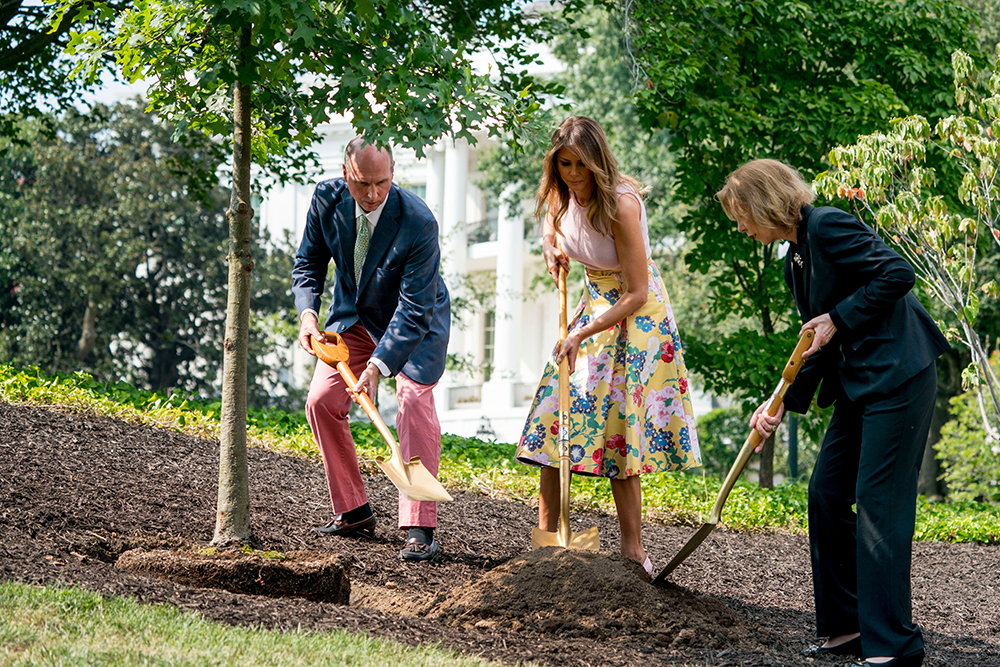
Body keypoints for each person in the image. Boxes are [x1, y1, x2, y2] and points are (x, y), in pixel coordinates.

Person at [718, 159, 948, 667]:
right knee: (825, 492)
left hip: (899, 376)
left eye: (741, 215)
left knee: (877, 504)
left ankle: (894, 645)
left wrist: (840, 319)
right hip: (859, 386)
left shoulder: (827, 225)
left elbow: (897, 273)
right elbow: (815, 341)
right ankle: (846, 630)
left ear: (763, 202)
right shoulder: (794, 260)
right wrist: (780, 403)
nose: (740, 227)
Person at [516, 116, 702, 574]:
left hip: (635, 320)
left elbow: (637, 292)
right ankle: (549, 545)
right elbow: (551, 228)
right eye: (564, 165)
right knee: (553, 418)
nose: (573, 175)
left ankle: (633, 552)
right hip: (591, 307)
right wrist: (551, 249)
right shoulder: (559, 198)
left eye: (581, 165)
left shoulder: (621, 206)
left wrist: (581, 332)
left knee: (621, 433)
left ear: (597, 163)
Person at [292, 137, 451, 563]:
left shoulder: (417, 220)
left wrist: (380, 366)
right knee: (321, 401)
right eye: (363, 184)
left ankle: (420, 527)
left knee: (413, 401)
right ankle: (353, 510)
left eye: (382, 182)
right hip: (355, 319)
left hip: (416, 323)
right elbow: (307, 264)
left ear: (393, 173)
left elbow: (415, 307)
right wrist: (308, 315)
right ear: (347, 175)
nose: (374, 194)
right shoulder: (327, 199)